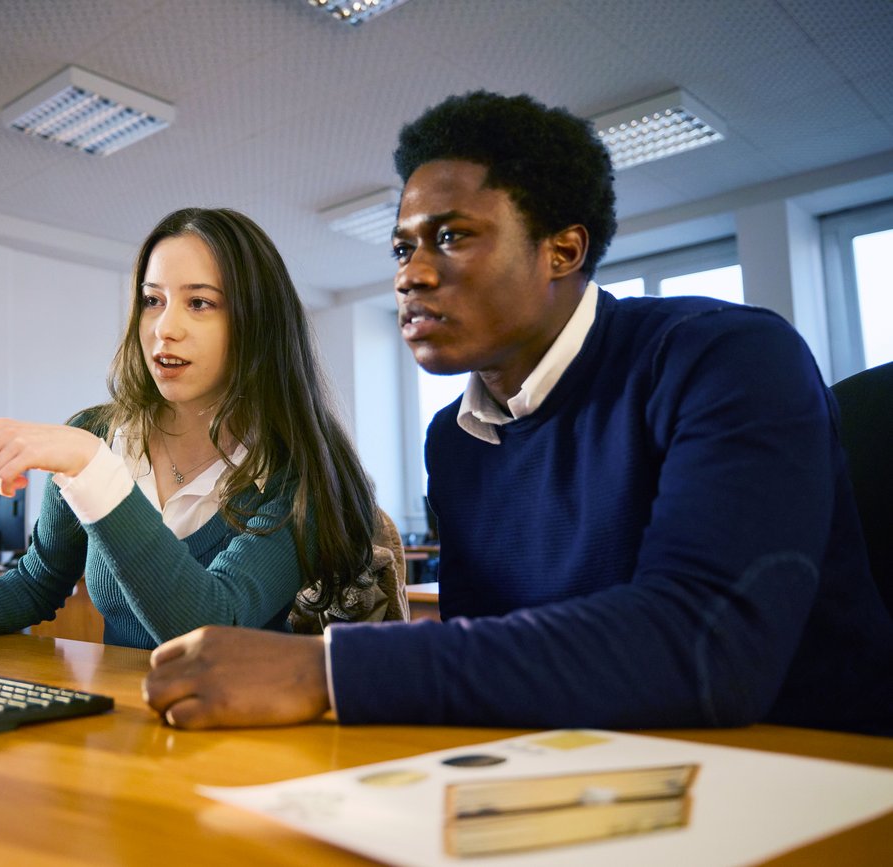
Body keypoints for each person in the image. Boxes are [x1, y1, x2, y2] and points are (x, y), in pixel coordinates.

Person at [142, 91, 893, 736]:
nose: (413, 275)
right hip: (581, 767)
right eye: (402, 248)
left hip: (800, 772)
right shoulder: (456, 439)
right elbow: (498, 643)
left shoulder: (728, 358)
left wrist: (329, 669)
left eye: (453, 236)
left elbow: (702, 643)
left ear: (562, 250)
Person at [0, 207, 383, 654]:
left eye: (200, 304)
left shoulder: (299, 469)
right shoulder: (98, 431)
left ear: (258, 325)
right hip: (124, 727)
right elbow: (40, 580)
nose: (166, 328)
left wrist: (93, 469)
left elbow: (212, 622)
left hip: (237, 745)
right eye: (152, 301)